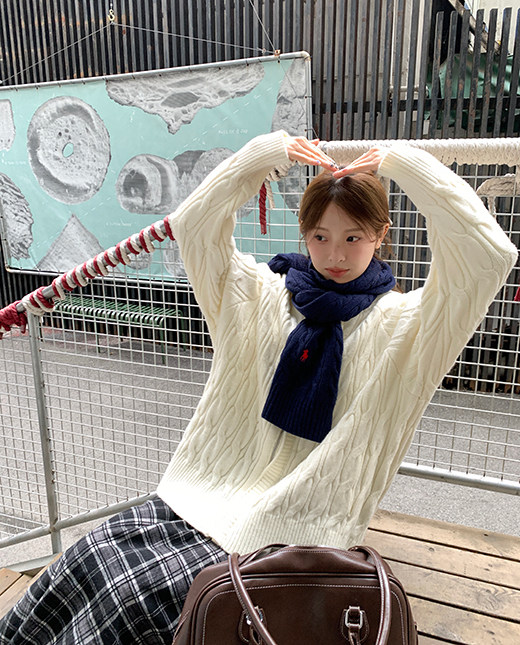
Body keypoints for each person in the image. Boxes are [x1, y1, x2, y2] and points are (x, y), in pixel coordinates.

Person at [0, 131, 516, 644]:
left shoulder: (411, 328)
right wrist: (259, 156)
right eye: (320, 236)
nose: (334, 254)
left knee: (138, 602)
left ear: (381, 234)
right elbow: (196, 224)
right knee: (87, 557)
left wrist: (406, 164)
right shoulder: (260, 296)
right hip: (202, 493)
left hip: (297, 531)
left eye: (353, 237)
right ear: (303, 233)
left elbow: (486, 256)